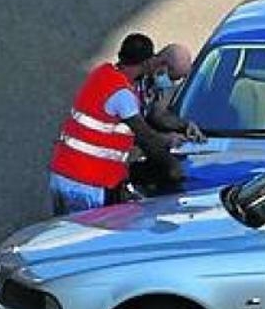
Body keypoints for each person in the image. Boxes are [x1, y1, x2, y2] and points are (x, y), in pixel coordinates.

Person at [48, 33, 182, 215]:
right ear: (145, 63)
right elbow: (146, 138)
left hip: (62, 175)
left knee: (66, 230)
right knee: (89, 231)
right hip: (86, 183)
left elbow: (109, 130)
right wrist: (172, 165)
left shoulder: (102, 74)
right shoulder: (122, 94)